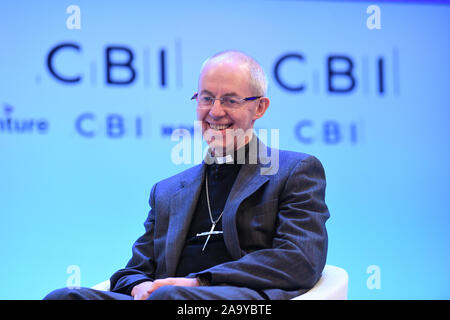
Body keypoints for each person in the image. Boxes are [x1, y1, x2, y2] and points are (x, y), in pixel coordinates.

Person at [44, 50, 329, 300]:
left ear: (259, 107)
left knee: (170, 296)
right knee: (62, 297)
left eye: (230, 100)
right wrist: (139, 286)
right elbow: (134, 270)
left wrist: (200, 281)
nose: (215, 112)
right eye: (206, 98)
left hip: (242, 299)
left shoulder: (294, 171)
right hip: (167, 296)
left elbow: (300, 259)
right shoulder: (167, 191)